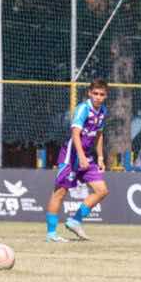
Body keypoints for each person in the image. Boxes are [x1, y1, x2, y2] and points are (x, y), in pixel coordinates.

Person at [47, 79, 110, 242]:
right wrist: (81, 157)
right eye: (95, 93)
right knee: (60, 193)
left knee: (102, 190)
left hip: (87, 157)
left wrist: (101, 157)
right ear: (89, 93)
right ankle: (51, 234)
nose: (98, 97)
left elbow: (99, 135)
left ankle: (74, 221)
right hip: (71, 157)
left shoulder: (103, 111)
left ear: (106, 96)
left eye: (101, 94)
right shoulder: (83, 109)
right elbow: (75, 134)